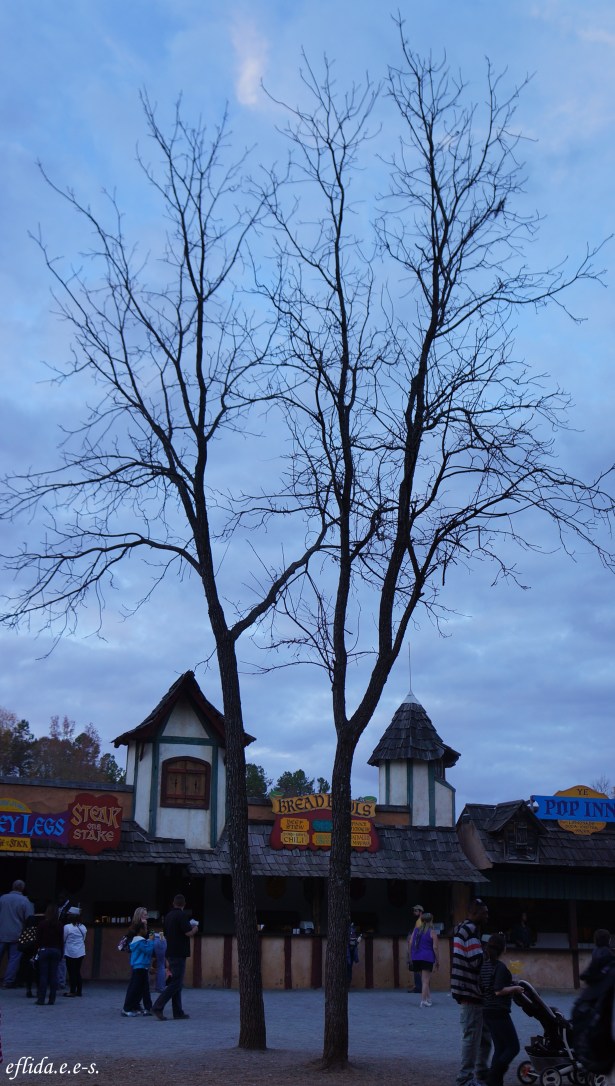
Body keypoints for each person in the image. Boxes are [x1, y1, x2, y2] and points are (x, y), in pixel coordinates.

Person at [451, 897, 492, 1086]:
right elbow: (477, 961)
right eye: (485, 913)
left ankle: (481, 1071)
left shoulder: (464, 929)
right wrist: (491, 955)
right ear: (475, 912)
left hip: (470, 992)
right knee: (472, 1037)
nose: (487, 916)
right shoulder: (470, 931)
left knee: (483, 1037)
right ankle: (465, 1078)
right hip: (471, 991)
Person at [480, 933, 522, 1086]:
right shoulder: (500, 966)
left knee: (500, 1047)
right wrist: (515, 988)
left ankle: (495, 1082)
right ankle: (493, 1075)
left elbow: (486, 986)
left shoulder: (484, 965)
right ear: (503, 948)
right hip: (498, 1010)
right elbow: (498, 990)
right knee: (513, 1047)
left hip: (486, 1009)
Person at [151, 893, 198, 1021]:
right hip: (179, 952)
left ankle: (178, 1011)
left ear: (173, 903)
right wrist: (195, 928)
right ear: (184, 904)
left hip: (170, 951)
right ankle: (158, 1006)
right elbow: (188, 932)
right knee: (176, 982)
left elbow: (165, 933)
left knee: (176, 981)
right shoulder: (182, 916)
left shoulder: (168, 916)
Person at [0, 880, 34, 988]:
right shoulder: (25, 901)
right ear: (22, 888)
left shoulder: (2, 898)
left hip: (1, 932)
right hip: (17, 933)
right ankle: (8, 981)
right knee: (14, 959)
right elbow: (29, 918)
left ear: (12, 886)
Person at [122, 918, 155, 1017]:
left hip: (141, 967)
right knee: (135, 988)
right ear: (140, 930)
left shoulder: (137, 940)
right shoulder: (140, 942)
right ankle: (126, 1008)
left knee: (145, 989)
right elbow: (148, 951)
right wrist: (151, 941)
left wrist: (150, 937)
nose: (147, 930)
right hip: (140, 967)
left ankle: (148, 1008)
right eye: (145, 928)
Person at [34, 903, 64, 1005]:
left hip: (44, 950)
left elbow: (37, 939)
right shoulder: (59, 925)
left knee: (43, 975)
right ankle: (52, 999)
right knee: (53, 975)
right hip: (56, 950)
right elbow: (61, 940)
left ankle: (41, 998)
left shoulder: (42, 924)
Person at [409, 911, 439, 1006]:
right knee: (426, 981)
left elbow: (410, 943)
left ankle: (428, 998)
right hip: (427, 957)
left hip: (416, 957)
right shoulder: (432, 932)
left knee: (423, 980)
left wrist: (411, 956)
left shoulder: (416, 930)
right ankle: (423, 1000)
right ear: (431, 921)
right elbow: (435, 947)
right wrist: (437, 959)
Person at [63, 907, 87, 997]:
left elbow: (64, 939)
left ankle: (72, 991)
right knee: (77, 971)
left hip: (70, 952)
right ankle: (79, 990)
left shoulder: (67, 927)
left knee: (71, 971)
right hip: (80, 951)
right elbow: (83, 938)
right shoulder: (83, 927)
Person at [407, 904, 424, 994]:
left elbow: (418, 935)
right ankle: (420, 987)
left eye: (416, 911)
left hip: (417, 947)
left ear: (420, 912)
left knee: (417, 967)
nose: (414, 912)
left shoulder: (420, 921)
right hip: (419, 947)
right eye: (414, 911)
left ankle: (419, 987)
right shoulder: (420, 921)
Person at [347, 922, 361, 986]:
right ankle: (346, 984)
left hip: (350, 953)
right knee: (348, 969)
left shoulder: (352, 932)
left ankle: (347, 984)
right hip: (347, 953)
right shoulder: (348, 932)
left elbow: (355, 943)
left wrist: (357, 941)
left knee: (349, 968)